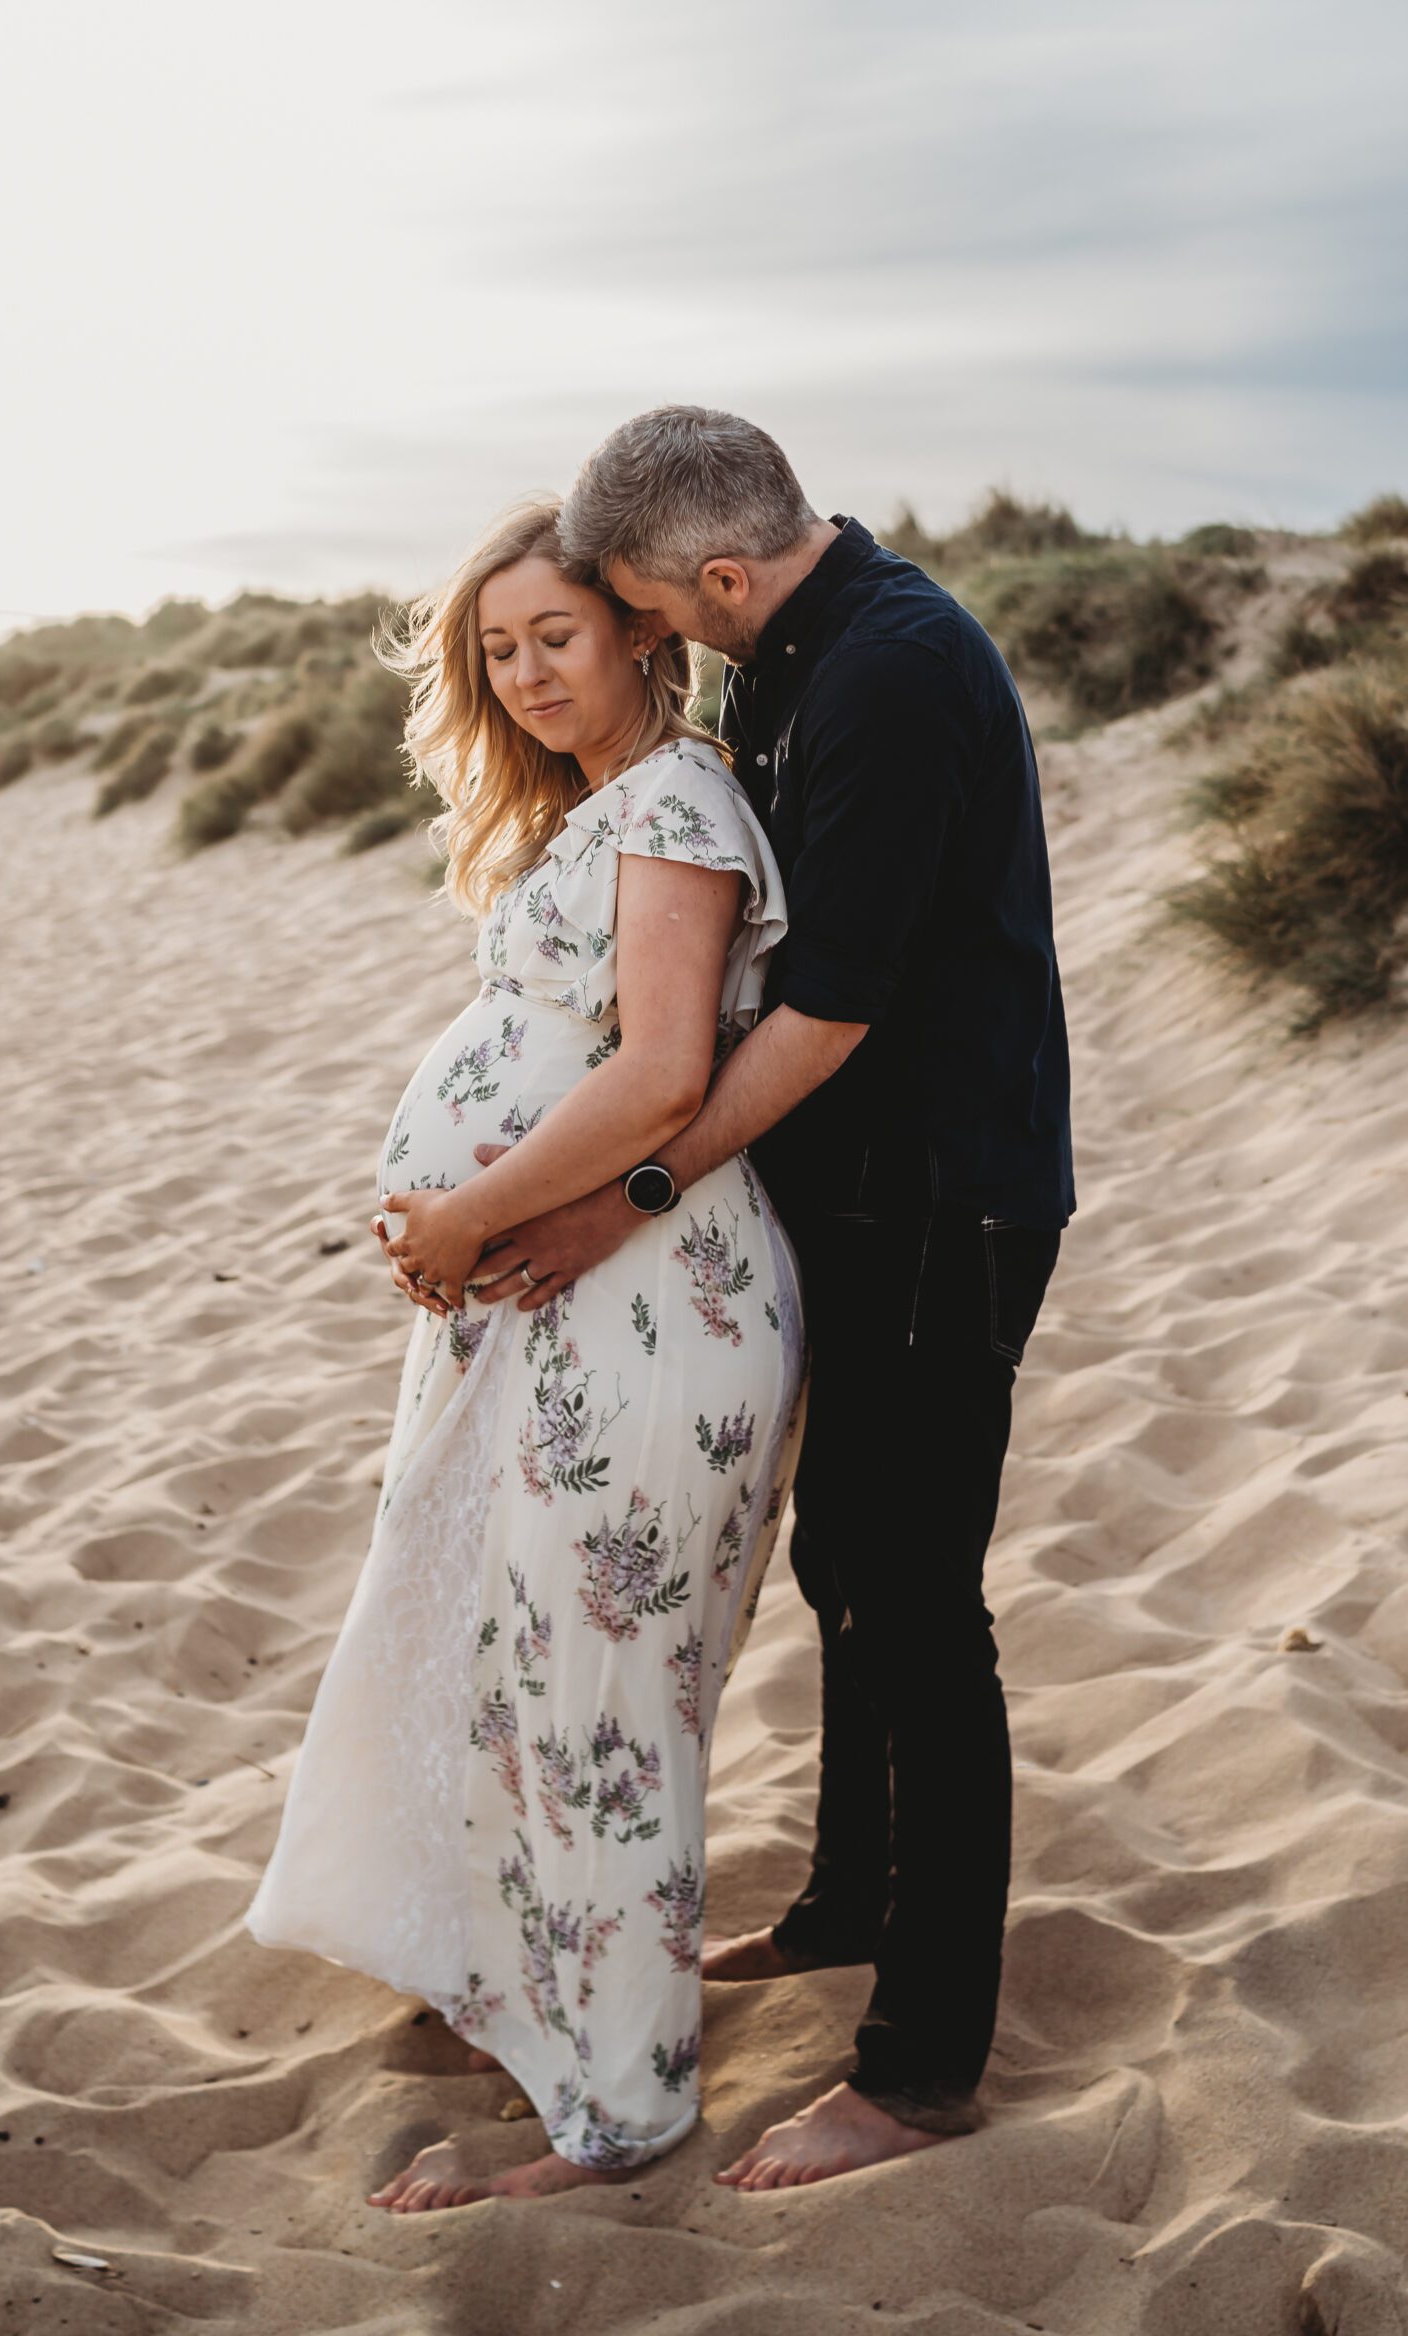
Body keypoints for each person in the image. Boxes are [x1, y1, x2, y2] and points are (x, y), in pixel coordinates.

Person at [390, 405, 1074, 2190]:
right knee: (850, 1562)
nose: (641, 647)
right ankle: (851, 1902)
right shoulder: (799, 654)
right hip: (851, 1202)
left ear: (712, 573)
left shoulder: (892, 675)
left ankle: (919, 2070)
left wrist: (630, 1190)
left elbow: (829, 1011)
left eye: (633, 611)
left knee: (920, 1607)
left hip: (946, 1204)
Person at [245, 495, 810, 2209]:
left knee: (604, 1705)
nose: (526, 672)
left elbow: (654, 1080)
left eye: (555, 634)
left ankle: (625, 2122)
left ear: (644, 627)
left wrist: (467, 1212)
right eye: (496, 651)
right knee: (527, 1674)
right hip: (568, 1303)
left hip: (651, 1302)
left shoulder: (681, 806)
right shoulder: (604, 809)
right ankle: (551, 2007)